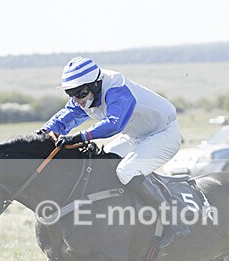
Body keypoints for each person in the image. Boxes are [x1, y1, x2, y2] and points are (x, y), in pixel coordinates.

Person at [40, 56, 189, 247]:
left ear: (95, 85)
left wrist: (79, 137)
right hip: (136, 136)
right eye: (71, 94)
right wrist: (41, 137)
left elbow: (114, 124)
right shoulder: (84, 96)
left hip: (164, 134)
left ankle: (174, 221)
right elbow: (62, 121)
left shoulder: (117, 88)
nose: (76, 100)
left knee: (126, 171)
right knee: (102, 165)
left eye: (80, 93)